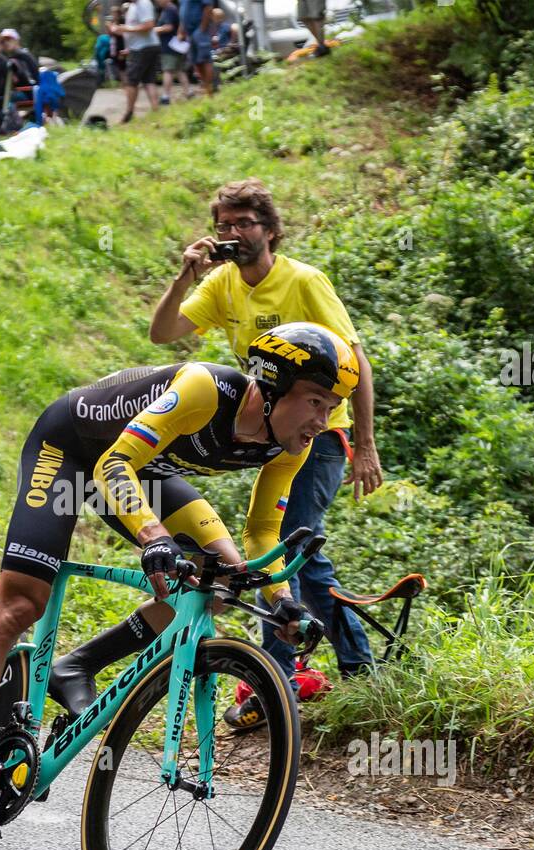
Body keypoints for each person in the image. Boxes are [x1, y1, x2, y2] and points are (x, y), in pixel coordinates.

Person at [0, 323, 358, 842]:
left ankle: (76, 666)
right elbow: (113, 463)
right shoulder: (203, 391)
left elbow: (263, 529)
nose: (322, 420)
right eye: (314, 401)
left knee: (218, 583)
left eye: (331, 407)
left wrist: (282, 600)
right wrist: (152, 536)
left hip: (143, 468)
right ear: (271, 385)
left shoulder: (292, 444)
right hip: (72, 452)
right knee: (20, 605)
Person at [149, 180, 383, 726]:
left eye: (244, 223)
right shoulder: (224, 284)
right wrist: (189, 274)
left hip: (320, 433)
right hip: (268, 435)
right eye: (224, 224)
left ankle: (297, 681)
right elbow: (164, 333)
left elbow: (357, 360)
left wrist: (365, 445)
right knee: (287, 551)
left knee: (286, 547)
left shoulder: (302, 281)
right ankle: (315, 676)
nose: (233, 234)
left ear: (271, 230)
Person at [113, 2, 161, 123]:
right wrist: (120, 30)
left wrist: (126, 28)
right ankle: (156, 111)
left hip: (143, 48)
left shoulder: (143, 3)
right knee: (148, 80)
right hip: (141, 47)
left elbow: (149, 25)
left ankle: (129, 113)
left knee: (131, 80)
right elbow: (135, 28)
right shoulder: (133, 6)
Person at [155, 0, 192, 104]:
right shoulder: (172, 9)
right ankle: (188, 92)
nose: (157, 1)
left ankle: (166, 96)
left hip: (170, 46)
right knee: (179, 70)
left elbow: (169, 27)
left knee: (168, 71)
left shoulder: (169, 10)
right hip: (174, 46)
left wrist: (153, 30)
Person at [176, 0, 215, 96]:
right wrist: (181, 30)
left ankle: (209, 90)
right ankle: (206, 88)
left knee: (205, 60)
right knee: (196, 62)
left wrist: (202, 28)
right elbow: (183, 12)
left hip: (199, 30)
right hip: (189, 33)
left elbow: (208, 7)